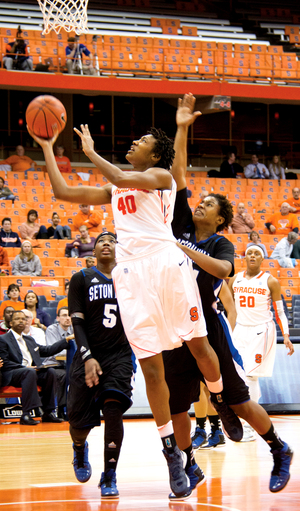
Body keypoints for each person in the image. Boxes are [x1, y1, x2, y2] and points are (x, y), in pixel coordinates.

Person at [28, 110, 243, 500]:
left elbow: (123, 176)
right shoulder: (116, 190)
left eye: (141, 141)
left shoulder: (160, 179)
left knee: (199, 346)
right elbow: (62, 192)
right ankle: (173, 458)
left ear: (156, 155)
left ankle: (220, 399)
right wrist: (45, 145)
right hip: (132, 279)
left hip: (166, 267)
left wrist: (90, 153)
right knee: (152, 370)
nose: (133, 143)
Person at [164, 93, 294, 494]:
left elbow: (223, 271)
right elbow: (178, 173)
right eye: (198, 203)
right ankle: (188, 465)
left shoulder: (220, 242)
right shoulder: (181, 221)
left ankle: (278, 448)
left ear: (220, 218)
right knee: (176, 406)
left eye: (207, 205)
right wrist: (183, 127)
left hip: (207, 323)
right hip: (175, 326)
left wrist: (184, 248)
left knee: (238, 399)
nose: (198, 206)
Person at [68, 232, 134, 497]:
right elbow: (77, 322)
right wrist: (87, 357)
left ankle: (109, 475)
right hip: (88, 354)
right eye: (101, 241)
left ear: (119, 249)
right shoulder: (81, 278)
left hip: (119, 355)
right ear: (93, 250)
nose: (106, 243)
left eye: (112, 240)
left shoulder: (131, 280)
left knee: (114, 410)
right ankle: (78, 448)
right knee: (78, 424)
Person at [228, 244, 294, 420]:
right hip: (240, 330)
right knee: (240, 375)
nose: (252, 256)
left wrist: (286, 335)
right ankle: (244, 414)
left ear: (262, 258)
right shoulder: (235, 279)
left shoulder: (270, 281)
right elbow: (228, 308)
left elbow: (280, 312)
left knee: (251, 376)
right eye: (249, 253)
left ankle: (251, 422)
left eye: (257, 253)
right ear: (245, 257)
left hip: (261, 331)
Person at [0, 310, 68, 425]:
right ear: (10, 323)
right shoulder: (3, 339)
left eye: (24, 319)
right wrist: (26, 367)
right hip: (12, 373)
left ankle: (48, 412)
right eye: (17, 319)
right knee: (29, 372)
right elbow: (5, 362)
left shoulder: (29, 340)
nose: (21, 321)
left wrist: (65, 340)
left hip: (29, 372)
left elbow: (47, 350)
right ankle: (26, 414)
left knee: (50, 372)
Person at [191, 281, 236, 450]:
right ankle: (206, 430)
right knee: (198, 386)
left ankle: (212, 430)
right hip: (193, 337)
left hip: (213, 337)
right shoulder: (187, 276)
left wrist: (226, 338)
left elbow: (232, 310)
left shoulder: (217, 280)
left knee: (209, 386)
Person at [44, 307, 73, 420]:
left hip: (70, 364)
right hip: (53, 364)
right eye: (64, 315)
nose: (67, 318)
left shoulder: (75, 329)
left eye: (69, 315)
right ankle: (62, 408)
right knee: (64, 375)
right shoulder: (51, 329)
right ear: (58, 318)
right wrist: (72, 353)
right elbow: (55, 353)